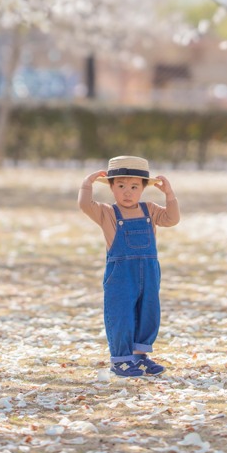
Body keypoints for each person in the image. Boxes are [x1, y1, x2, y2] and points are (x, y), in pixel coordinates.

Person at [78, 155, 180, 378]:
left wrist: (169, 195)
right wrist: (87, 184)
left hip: (150, 272)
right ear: (112, 188)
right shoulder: (107, 213)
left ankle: (139, 357)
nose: (127, 192)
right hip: (121, 274)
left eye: (134, 186)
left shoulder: (150, 210)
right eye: (121, 186)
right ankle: (120, 359)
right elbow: (85, 205)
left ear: (143, 188)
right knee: (121, 313)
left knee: (148, 312)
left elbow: (172, 219)